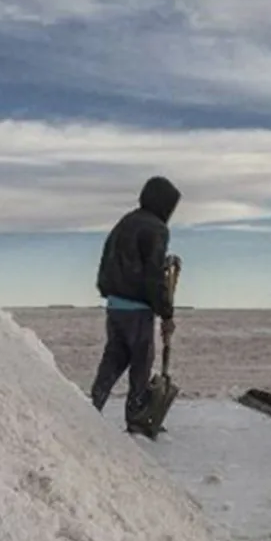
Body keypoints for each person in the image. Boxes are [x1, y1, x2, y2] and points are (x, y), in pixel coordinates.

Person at [90, 175, 180, 432]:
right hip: (138, 308)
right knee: (142, 360)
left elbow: (108, 259)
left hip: (115, 305)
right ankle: (137, 417)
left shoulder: (125, 222)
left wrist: (107, 290)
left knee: (115, 357)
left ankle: (93, 404)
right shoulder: (157, 229)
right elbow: (152, 274)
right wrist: (166, 312)